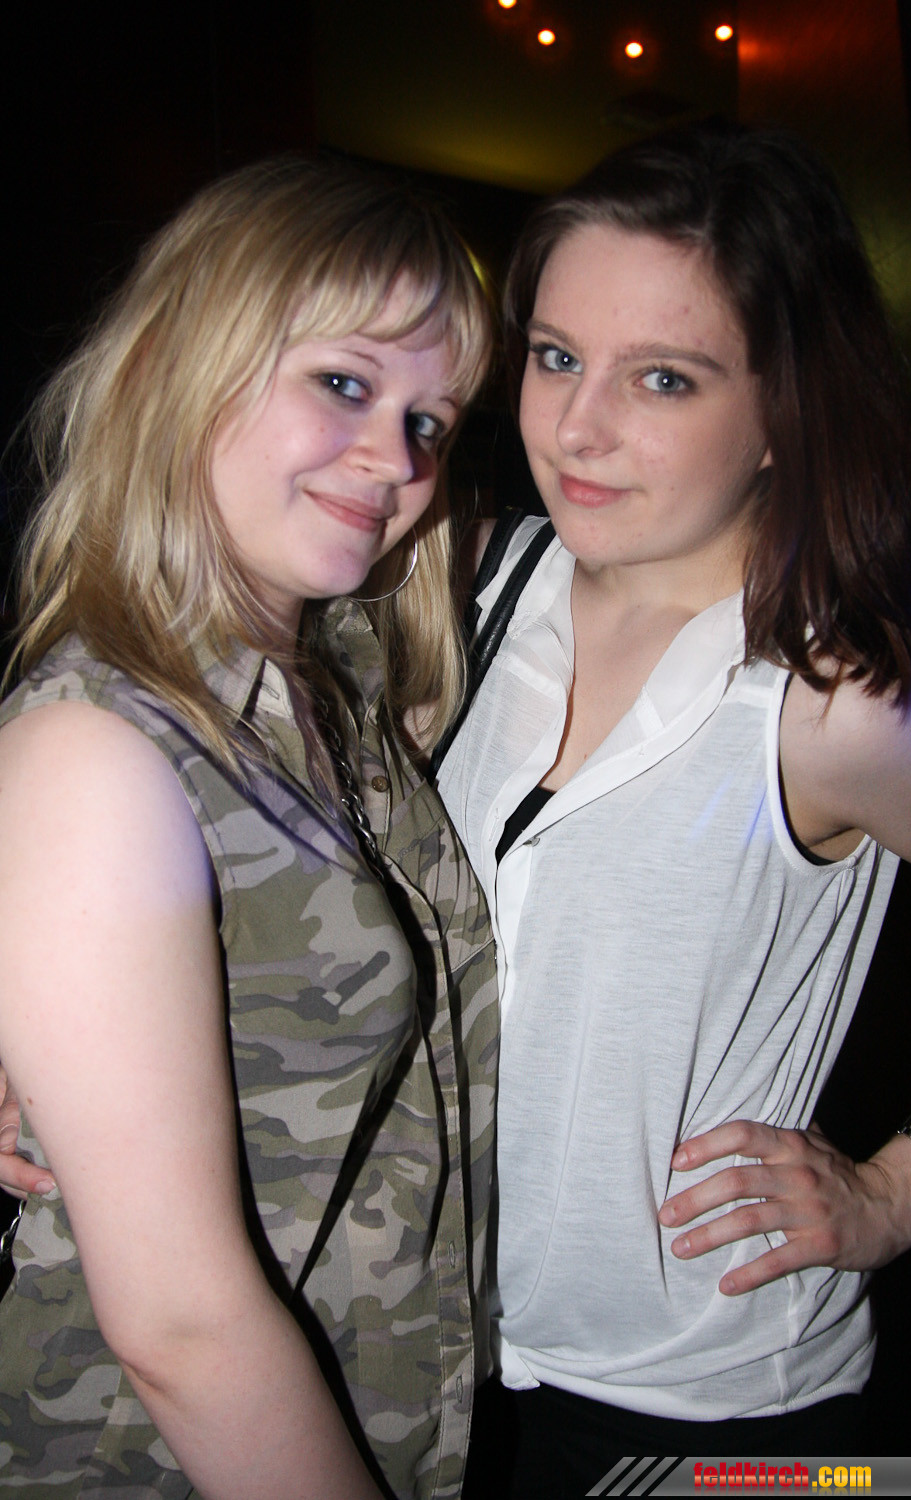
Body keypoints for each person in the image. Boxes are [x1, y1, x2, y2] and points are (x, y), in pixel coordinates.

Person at [435, 122, 911, 1494]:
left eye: (663, 378)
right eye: (554, 356)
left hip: (715, 1420)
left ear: (784, 412)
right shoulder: (470, 586)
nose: (577, 427)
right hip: (436, 1357)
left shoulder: (837, 697)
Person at [0, 157, 497, 1499]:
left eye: (431, 419)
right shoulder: (101, 748)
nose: (398, 460)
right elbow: (180, 1328)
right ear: (182, 362)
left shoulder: (329, 693)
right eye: (342, 382)